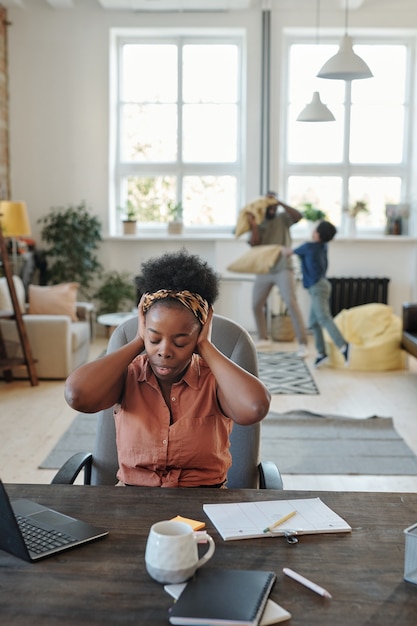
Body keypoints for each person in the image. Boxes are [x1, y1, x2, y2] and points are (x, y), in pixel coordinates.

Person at [64, 249, 271, 488]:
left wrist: (206, 346)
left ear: (199, 335)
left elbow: (255, 407)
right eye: (154, 339)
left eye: (181, 341)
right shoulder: (128, 375)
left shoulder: (214, 381)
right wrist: (136, 343)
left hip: (205, 501)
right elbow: (76, 395)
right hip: (132, 502)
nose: (165, 351)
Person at [247, 192, 309, 356]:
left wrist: (280, 202)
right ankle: (263, 338)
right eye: (270, 205)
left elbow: (299, 215)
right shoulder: (259, 221)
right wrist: (253, 225)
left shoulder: (283, 218)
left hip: (283, 267)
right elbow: (254, 244)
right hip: (265, 269)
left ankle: (303, 344)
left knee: (291, 303)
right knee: (256, 304)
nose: (273, 208)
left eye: (275, 204)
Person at [286, 220, 349, 368]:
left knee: (323, 317)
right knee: (314, 322)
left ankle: (344, 346)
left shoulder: (308, 247)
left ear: (317, 233)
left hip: (318, 287)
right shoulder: (323, 246)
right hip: (321, 286)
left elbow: (289, 252)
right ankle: (321, 353)